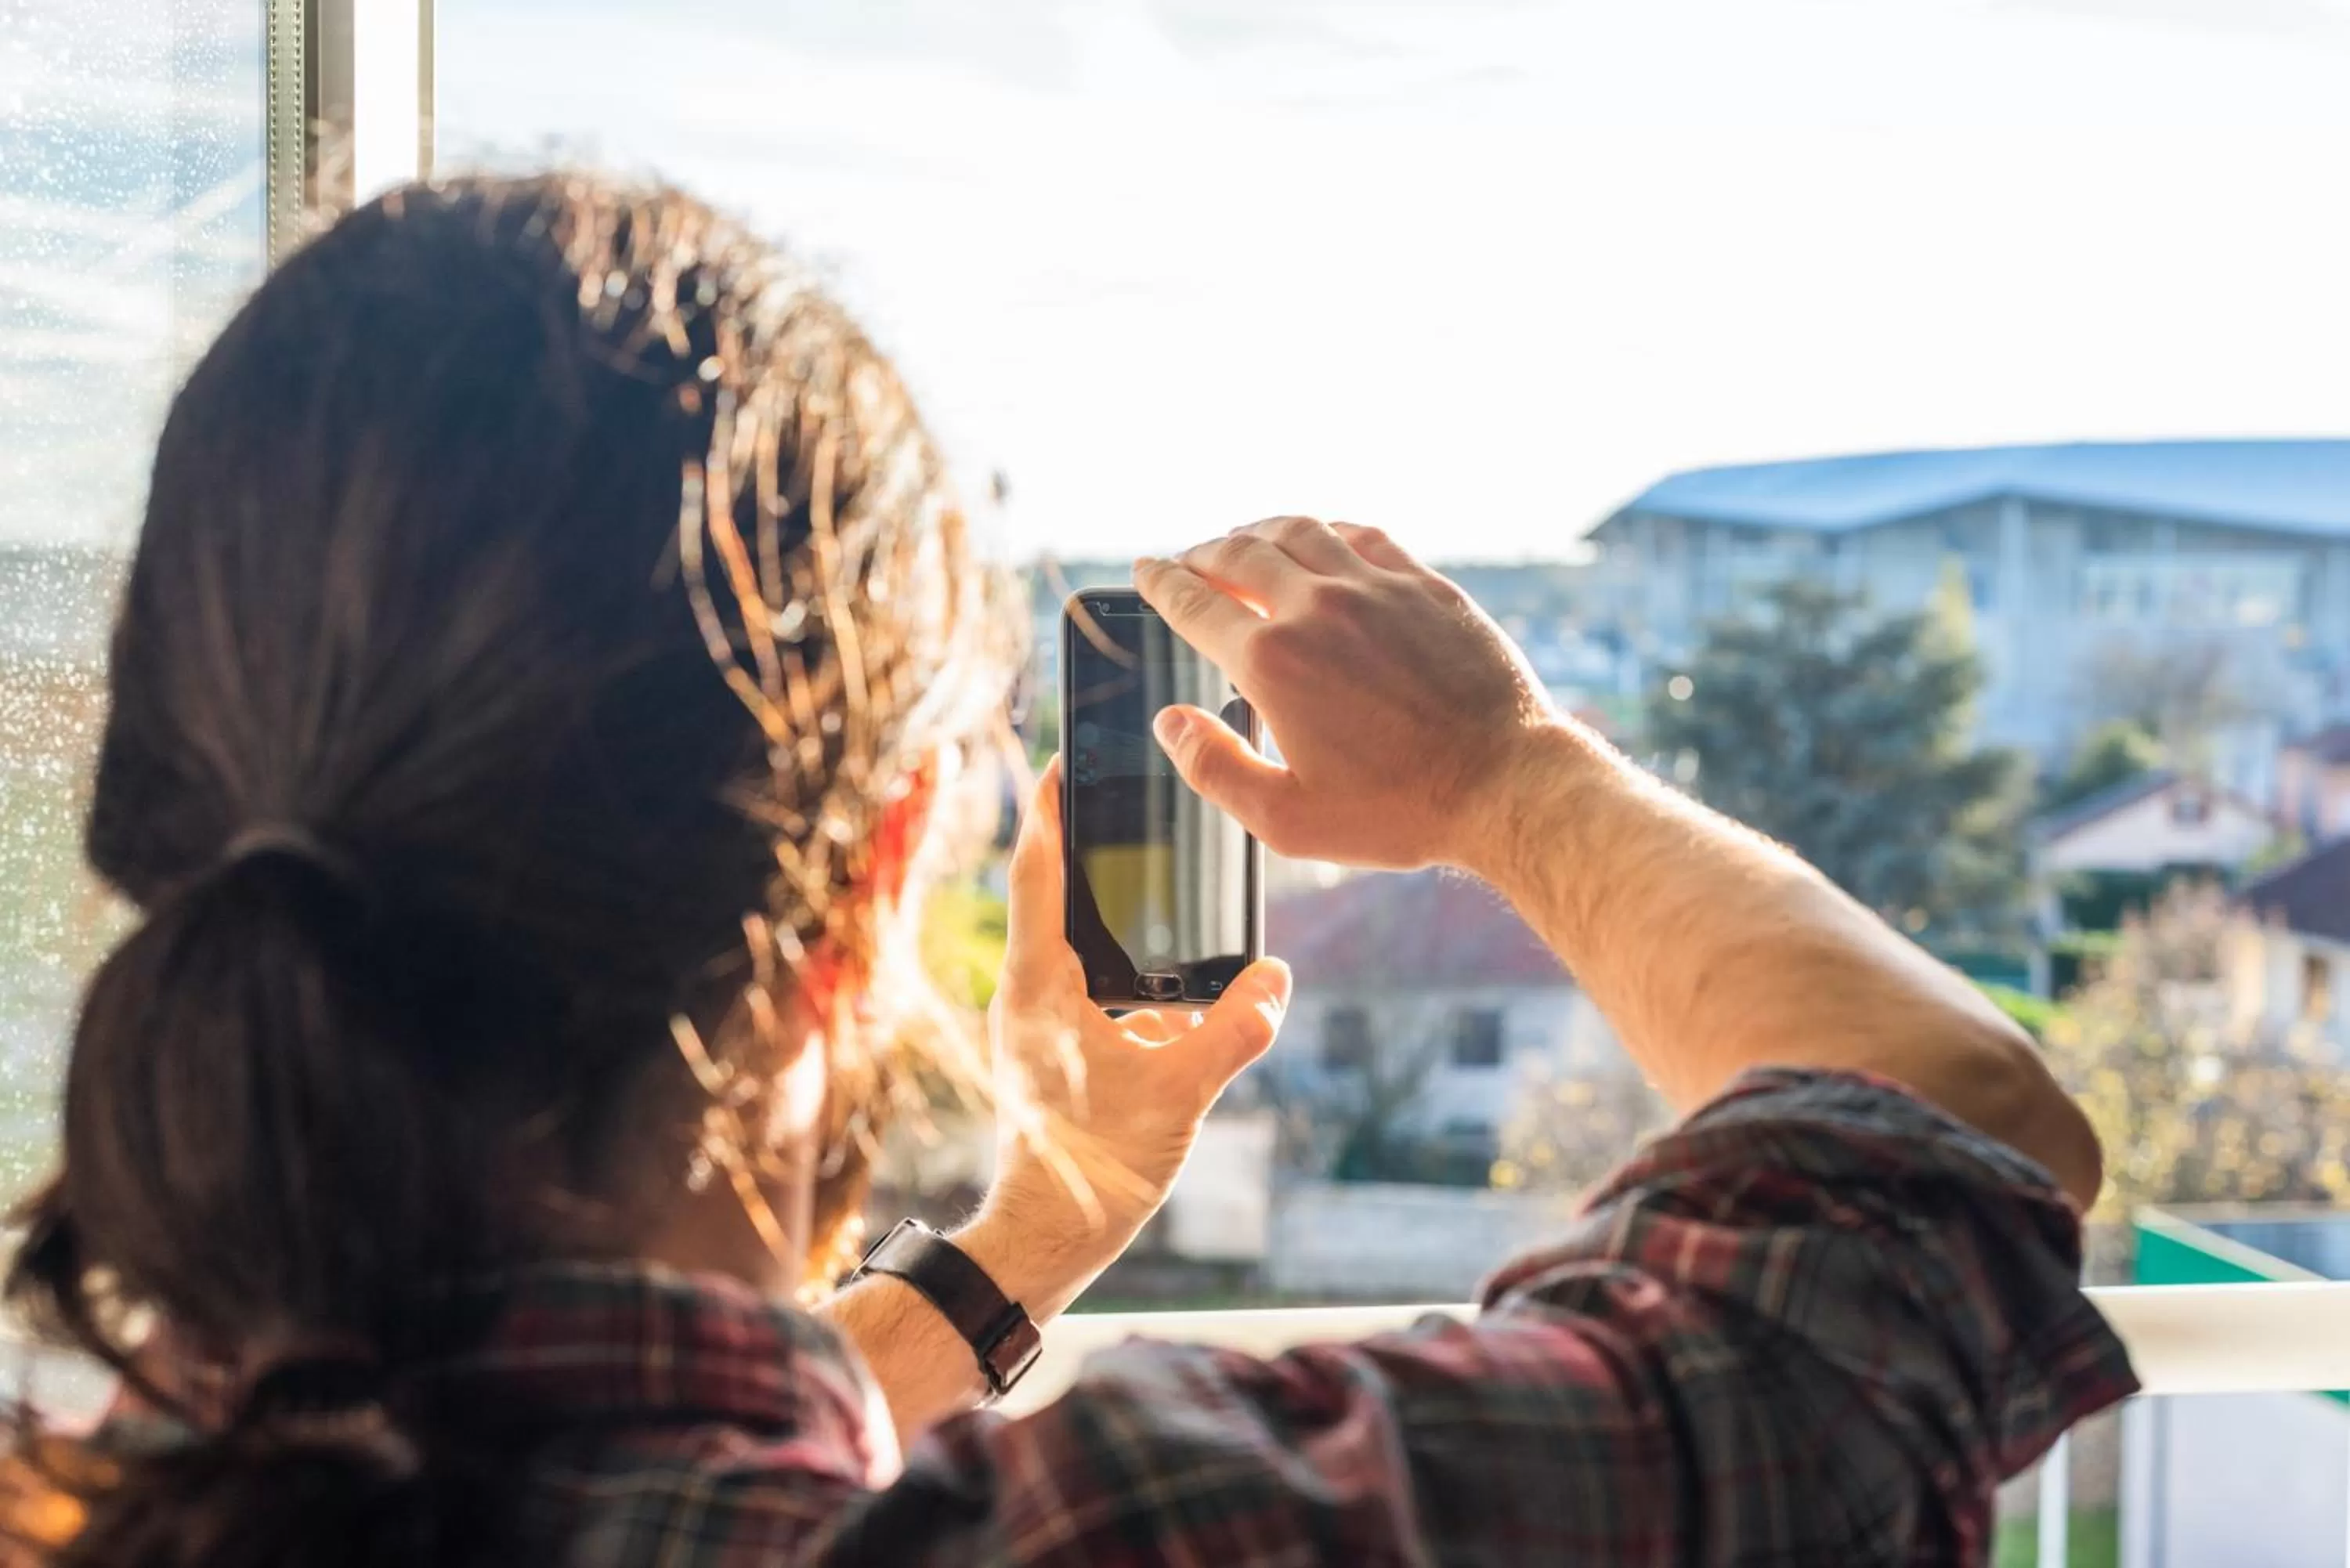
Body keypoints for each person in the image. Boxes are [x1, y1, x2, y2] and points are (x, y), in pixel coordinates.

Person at [0, 172, 2132, 1568]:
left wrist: (1049, 1222)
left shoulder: (76, 1489)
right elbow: (1948, 1158)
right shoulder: (1125, 1537)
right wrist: (1506, 771)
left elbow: (583, 1453)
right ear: (858, 911)